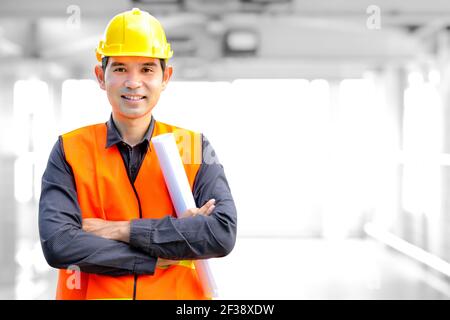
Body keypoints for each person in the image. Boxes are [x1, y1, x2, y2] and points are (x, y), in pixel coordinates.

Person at [38, 8, 237, 300]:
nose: (133, 82)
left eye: (146, 69)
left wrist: (121, 230)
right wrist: (159, 253)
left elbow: (221, 234)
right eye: (120, 68)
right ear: (100, 76)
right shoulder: (70, 149)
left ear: (165, 76)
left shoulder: (193, 147)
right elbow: (59, 244)